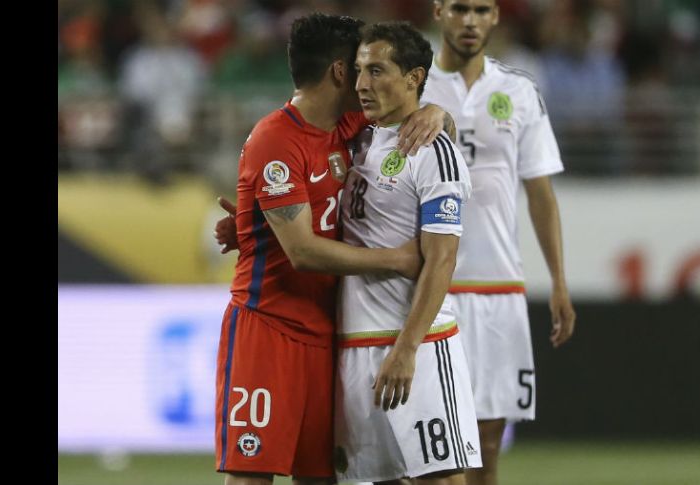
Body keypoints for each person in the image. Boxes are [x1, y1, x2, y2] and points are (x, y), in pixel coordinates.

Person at [214, 12, 453, 485]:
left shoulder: (350, 128)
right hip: (270, 326)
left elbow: (412, 102)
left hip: (331, 332)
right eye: (361, 68)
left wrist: (437, 111)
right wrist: (397, 259)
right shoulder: (276, 139)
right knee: (252, 470)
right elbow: (302, 251)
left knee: (325, 476)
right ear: (340, 72)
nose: (368, 81)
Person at [421, 2, 577, 484]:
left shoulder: (519, 91)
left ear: (495, 18)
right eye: (461, 8)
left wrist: (558, 281)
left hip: (497, 287)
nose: (470, 20)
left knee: (488, 441)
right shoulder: (413, 83)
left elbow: (540, 193)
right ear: (440, 12)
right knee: (430, 447)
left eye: (482, 9)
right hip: (428, 287)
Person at [333, 21, 480, 484]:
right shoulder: (358, 141)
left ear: (414, 78)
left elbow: (441, 258)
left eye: (377, 71)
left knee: (441, 478)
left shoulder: (433, 150)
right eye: (359, 70)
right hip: (356, 347)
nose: (362, 84)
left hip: (419, 346)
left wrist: (407, 348)